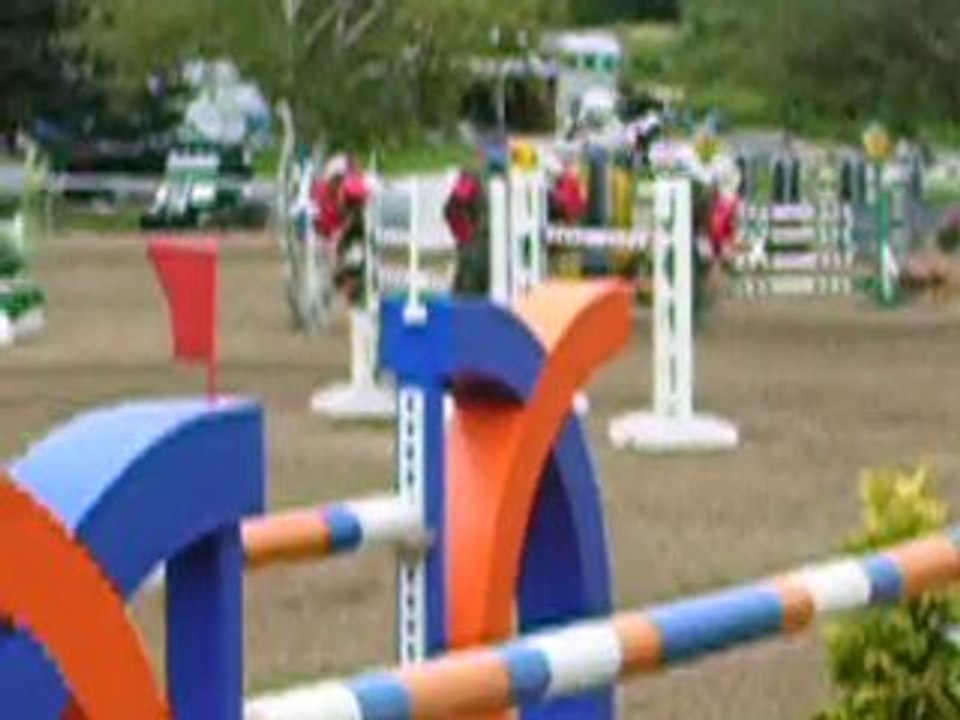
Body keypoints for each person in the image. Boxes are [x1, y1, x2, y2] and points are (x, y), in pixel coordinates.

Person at [444, 167, 488, 296]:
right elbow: (452, 210)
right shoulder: (472, 177)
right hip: (476, 248)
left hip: (484, 248)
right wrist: (466, 235)